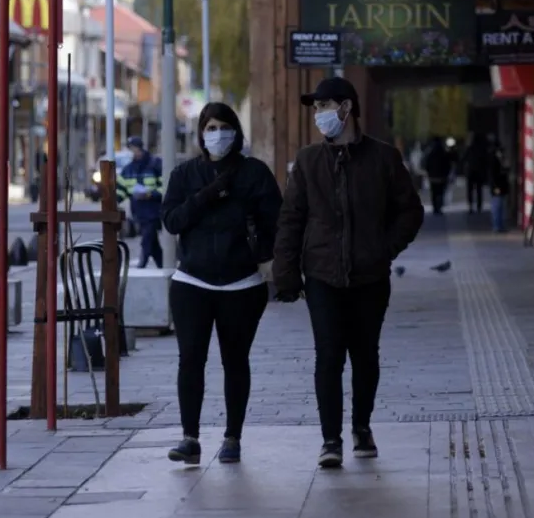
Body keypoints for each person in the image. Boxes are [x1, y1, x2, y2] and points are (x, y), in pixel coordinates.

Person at [272, 77, 424, 468]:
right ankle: (330, 439)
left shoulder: (383, 158)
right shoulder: (308, 161)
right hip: (322, 274)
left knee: (365, 355)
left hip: (370, 277)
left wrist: (384, 248)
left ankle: (362, 427)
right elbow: (291, 219)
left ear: (346, 108)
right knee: (328, 356)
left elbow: (411, 211)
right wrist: (286, 274)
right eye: (316, 108)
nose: (319, 115)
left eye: (324, 106)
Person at [160, 102, 282, 465]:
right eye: (210, 128)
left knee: (235, 361)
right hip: (191, 282)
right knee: (190, 360)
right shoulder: (185, 174)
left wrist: (261, 255)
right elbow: (172, 220)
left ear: (236, 132)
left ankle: (232, 437)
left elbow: (276, 222)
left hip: (241, 284)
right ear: (201, 134)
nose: (217, 135)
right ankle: (190, 437)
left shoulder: (254, 173)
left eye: (224, 127)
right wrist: (207, 195)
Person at [120, 136, 164, 268]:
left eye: (132, 148)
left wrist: (151, 194)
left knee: (147, 237)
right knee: (152, 240)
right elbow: (121, 190)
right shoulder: (128, 169)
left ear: (139, 148)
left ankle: (142, 262)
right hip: (138, 211)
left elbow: (166, 186)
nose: (131, 152)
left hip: (154, 210)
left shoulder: (155, 164)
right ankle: (162, 263)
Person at [422, 136, 452, 215]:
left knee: (434, 193)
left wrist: (429, 173)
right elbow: (448, 164)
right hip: (441, 177)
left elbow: (426, 164)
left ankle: (435, 207)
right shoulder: (443, 152)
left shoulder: (430, 152)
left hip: (433, 177)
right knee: (440, 192)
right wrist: (446, 174)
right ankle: (439, 207)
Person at [460, 132, 487, 213]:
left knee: (470, 190)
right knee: (479, 190)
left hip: (471, 172)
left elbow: (463, 159)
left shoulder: (470, 148)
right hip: (479, 172)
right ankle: (479, 206)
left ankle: (471, 206)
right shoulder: (482, 149)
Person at [490, 146, 510, 233]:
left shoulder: (501, 161)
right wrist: (495, 187)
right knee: (497, 207)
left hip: (502, 187)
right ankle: (497, 226)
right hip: (497, 187)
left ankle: (500, 225)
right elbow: (492, 176)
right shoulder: (494, 161)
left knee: (501, 208)